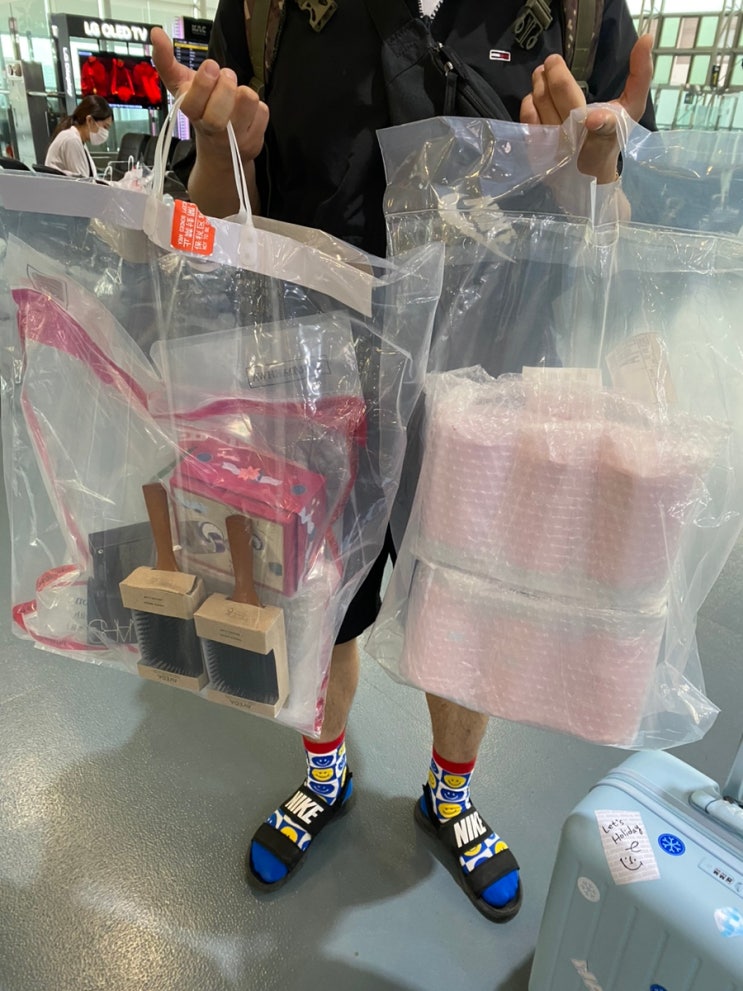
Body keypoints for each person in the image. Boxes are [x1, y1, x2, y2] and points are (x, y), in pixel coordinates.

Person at [151, 2, 654, 924]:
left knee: (470, 602)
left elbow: (613, 216)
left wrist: (590, 173)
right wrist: (221, 153)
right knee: (320, 596)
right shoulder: (267, 10)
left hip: (486, 394)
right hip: (317, 377)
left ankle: (449, 793)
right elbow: (217, 210)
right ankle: (325, 774)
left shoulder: (572, 13)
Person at [44, 96, 113, 178]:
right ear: (90, 120)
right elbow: (83, 182)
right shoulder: (71, 140)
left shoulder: (78, 140)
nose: (105, 132)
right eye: (105, 127)